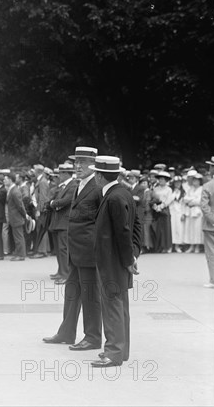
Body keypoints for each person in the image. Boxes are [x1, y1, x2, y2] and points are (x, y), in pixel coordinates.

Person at [43, 146, 102, 351]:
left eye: (82, 162)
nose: (77, 166)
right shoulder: (80, 185)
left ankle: (93, 337)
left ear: (94, 164)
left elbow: (101, 222)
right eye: (76, 162)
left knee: (90, 295)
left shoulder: (97, 187)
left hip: (89, 252)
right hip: (76, 252)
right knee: (71, 293)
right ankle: (66, 332)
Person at [89, 156, 141, 368]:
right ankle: (120, 349)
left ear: (100, 176)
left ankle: (114, 352)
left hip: (112, 261)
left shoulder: (112, 198)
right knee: (119, 306)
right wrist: (133, 255)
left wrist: (129, 258)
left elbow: (123, 231)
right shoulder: (123, 193)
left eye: (95, 174)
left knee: (112, 306)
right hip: (119, 260)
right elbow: (137, 226)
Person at [48, 163, 79, 284]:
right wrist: (54, 203)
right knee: (59, 249)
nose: (59, 176)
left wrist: (52, 203)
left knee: (63, 249)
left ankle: (66, 274)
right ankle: (61, 271)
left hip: (65, 222)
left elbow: (64, 201)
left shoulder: (72, 186)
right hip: (59, 222)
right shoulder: (65, 186)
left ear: (66, 174)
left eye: (60, 173)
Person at [200, 156, 214, 288]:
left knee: (212, 252)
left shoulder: (208, 185)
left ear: (212, 168)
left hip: (212, 224)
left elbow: (204, 207)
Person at [4, 173, 27, 261]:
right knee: (17, 236)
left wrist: (24, 215)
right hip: (14, 217)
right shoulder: (12, 190)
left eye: (6, 179)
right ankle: (19, 253)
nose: (4, 181)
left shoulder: (14, 191)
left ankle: (21, 255)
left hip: (17, 217)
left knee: (19, 237)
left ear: (10, 180)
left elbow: (20, 206)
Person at [151, 171, 173, 253]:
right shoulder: (155, 189)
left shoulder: (169, 189)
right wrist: (155, 206)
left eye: (162, 179)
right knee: (158, 228)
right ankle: (160, 246)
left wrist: (161, 207)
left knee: (166, 228)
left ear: (166, 180)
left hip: (165, 209)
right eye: (159, 179)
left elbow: (168, 200)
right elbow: (152, 199)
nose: (160, 180)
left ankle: (167, 246)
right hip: (156, 209)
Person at [183, 173, 204, 253]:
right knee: (190, 228)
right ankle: (191, 245)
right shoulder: (190, 189)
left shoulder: (202, 189)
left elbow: (200, 200)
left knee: (197, 229)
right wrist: (192, 199)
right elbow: (185, 199)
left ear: (199, 181)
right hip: (190, 211)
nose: (194, 182)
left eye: (196, 180)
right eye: (193, 180)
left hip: (198, 211)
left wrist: (191, 201)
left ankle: (197, 246)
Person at [169, 176, 186, 253]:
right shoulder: (171, 191)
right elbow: (168, 201)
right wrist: (174, 194)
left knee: (179, 229)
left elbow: (184, 204)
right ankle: (170, 246)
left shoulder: (183, 192)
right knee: (172, 229)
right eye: (176, 183)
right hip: (172, 212)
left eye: (179, 183)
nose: (178, 184)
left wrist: (183, 214)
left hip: (179, 212)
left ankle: (177, 246)